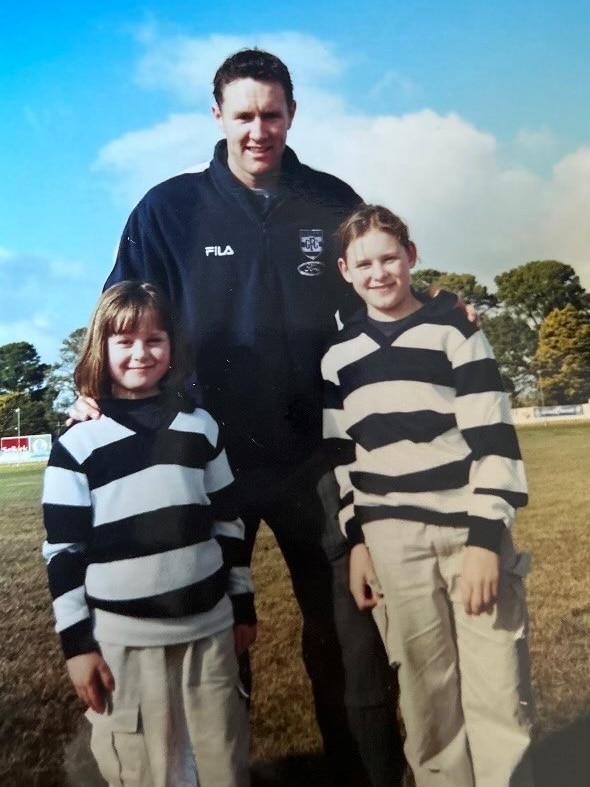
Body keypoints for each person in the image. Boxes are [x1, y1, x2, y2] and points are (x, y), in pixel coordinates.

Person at [70, 48, 407, 787]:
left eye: (273, 114)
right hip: (205, 463)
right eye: (245, 114)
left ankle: (367, 776)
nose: (260, 130)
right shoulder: (169, 208)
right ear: (216, 113)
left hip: (318, 458)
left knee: (350, 639)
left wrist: (437, 316)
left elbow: (384, 298)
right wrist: (91, 383)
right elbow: (118, 313)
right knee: (218, 642)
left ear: (292, 114)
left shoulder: (331, 201)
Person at [321, 204, 535, 787]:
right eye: (364, 263)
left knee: (498, 693)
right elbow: (344, 463)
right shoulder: (338, 358)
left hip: (468, 533)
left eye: (390, 257)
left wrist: (486, 541)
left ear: (411, 257)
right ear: (344, 270)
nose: (379, 272)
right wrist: (359, 543)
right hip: (394, 544)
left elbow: (494, 440)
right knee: (425, 701)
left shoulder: (455, 332)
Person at [43, 281, 255, 787]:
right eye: (125, 341)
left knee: (221, 763)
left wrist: (242, 604)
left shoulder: (200, 426)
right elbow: (63, 551)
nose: (141, 353)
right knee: (145, 770)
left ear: (172, 347)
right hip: (124, 645)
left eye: (154, 340)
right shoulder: (77, 443)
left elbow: (229, 521)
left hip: (209, 633)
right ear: (102, 347)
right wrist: (77, 646)